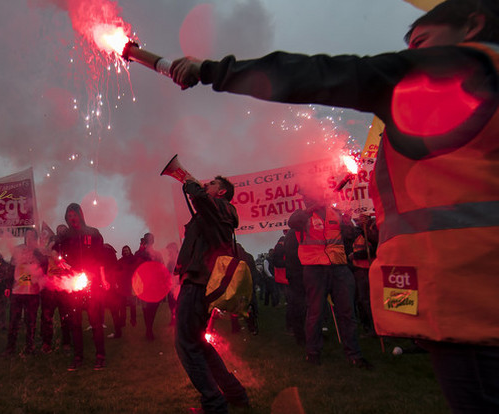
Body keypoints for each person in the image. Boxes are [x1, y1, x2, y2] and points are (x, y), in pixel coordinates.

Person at [170, 2, 499, 409]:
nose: (411, 54)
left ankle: (240, 391)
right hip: (464, 293)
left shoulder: (449, 73)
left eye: (422, 41)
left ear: (474, 25)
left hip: (470, 294)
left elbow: (318, 74)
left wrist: (210, 70)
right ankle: (308, 354)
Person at [174, 175, 249, 414]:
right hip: (199, 281)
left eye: (212, 185)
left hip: (197, 282)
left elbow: (201, 199)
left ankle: (215, 404)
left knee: (186, 345)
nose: (207, 185)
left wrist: (193, 186)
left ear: (222, 192)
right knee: (198, 344)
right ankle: (234, 393)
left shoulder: (223, 207)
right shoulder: (215, 211)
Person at [288, 191, 369, 368]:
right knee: (316, 312)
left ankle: (354, 354)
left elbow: (348, 236)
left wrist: (350, 223)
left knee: (347, 312)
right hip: (315, 269)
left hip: (339, 267)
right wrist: (312, 208)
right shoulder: (302, 215)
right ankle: (313, 353)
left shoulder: (335, 214)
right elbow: (292, 222)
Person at [52, 203, 107, 371]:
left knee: (95, 321)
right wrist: (59, 261)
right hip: (73, 284)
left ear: (80, 215)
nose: (72, 218)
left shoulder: (93, 233)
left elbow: (100, 258)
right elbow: (55, 253)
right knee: (75, 323)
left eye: (74, 214)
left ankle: (100, 356)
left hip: (91, 282)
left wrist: (103, 278)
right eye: (68, 216)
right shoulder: (64, 236)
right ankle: (78, 357)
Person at [5, 228, 46, 355]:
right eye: (27, 236)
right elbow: (10, 268)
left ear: (35, 238)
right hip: (18, 291)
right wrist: (7, 285)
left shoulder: (39, 253)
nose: (29, 239)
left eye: (32, 237)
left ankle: (30, 346)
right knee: (14, 321)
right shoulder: (17, 250)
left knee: (31, 321)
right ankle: (10, 348)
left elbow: (44, 270)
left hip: (32, 293)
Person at [133, 232, 165, 341]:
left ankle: (149, 328)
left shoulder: (157, 254)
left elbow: (162, 268)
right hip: (145, 285)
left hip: (155, 285)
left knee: (153, 308)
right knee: (146, 309)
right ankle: (149, 330)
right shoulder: (140, 253)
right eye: (148, 239)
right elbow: (135, 264)